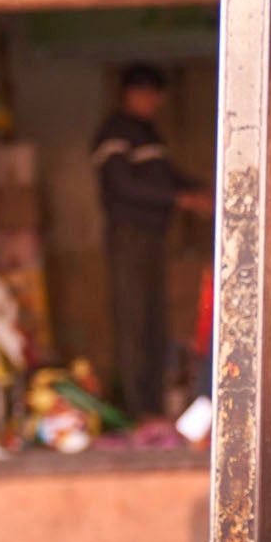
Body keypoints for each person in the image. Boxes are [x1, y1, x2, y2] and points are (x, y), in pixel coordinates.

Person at [91, 63, 210, 421]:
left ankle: (154, 407)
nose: (154, 102)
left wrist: (198, 190)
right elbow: (123, 185)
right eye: (149, 95)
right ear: (131, 94)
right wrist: (180, 199)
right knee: (133, 324)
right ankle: (137, 410)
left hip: (154, 238)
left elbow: (167, 176)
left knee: (154, 323)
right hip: (129, 238)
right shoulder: (114, 133)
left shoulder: (148, 134)